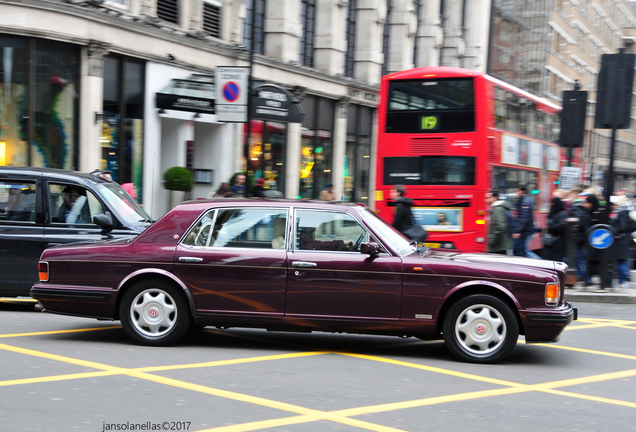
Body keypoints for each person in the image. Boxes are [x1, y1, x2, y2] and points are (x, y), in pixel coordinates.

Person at [609, 195, 636, 288]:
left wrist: (615, 230)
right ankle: (623, 280)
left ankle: (621, 281)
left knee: (621, 262)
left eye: (614, 204)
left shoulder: (620, 213)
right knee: (623, 261)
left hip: (620, 240)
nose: (612, 206)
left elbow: (622, 227)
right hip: (625, 239)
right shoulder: (627, 212)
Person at [511, 184, 540, 259]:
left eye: (518, 190)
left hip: (526, 230)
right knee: (523, 250)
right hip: (525, 230)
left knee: (525, 250)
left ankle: (540, 263)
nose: (516, 192)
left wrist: (517, 231)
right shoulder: (523, 200)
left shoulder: (525, 201)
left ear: (523, 191)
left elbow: (523, 218)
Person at [485, 190, 513, 255]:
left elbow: (501, 226)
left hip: (498, 246)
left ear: (495, 198)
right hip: (499, 245)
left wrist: (492, 239)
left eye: (489, 197)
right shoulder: (497, 208)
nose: (486, 200)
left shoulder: (498, 209)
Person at [542, 197, 569, 262]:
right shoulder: (554, 213)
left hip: (557, 241)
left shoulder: (562, 214)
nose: (551, 205)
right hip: (551, 241)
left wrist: (552, 226)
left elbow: (562, 226)